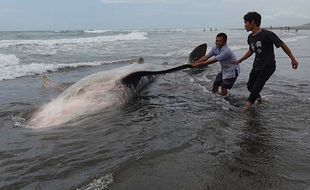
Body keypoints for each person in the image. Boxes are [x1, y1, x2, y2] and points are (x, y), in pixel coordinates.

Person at [235, 12, 299, 110]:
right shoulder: (250, 37)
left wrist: (293, 59)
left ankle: (248, 106)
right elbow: (251, 50)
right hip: (256, 65)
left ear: (252, 22)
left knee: (257, 86)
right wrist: (240, 60)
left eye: (246, 22)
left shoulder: (267, 34)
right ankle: (259, 100)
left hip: (268, 66)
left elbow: (282, 45)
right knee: (250, 86)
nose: (244, 25)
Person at [192, 32, 240, 97]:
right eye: (216, 41)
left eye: (219, 41)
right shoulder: (215, 48)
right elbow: (206, 57)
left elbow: (211, 61)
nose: (217, 42)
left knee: (223, 87)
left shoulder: (226, 51)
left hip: (232, 71)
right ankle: (213, 98)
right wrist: (195, 63)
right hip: (224, 69)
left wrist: (198, 65)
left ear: (225, 42)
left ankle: (224, 100)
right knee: (215, 84)